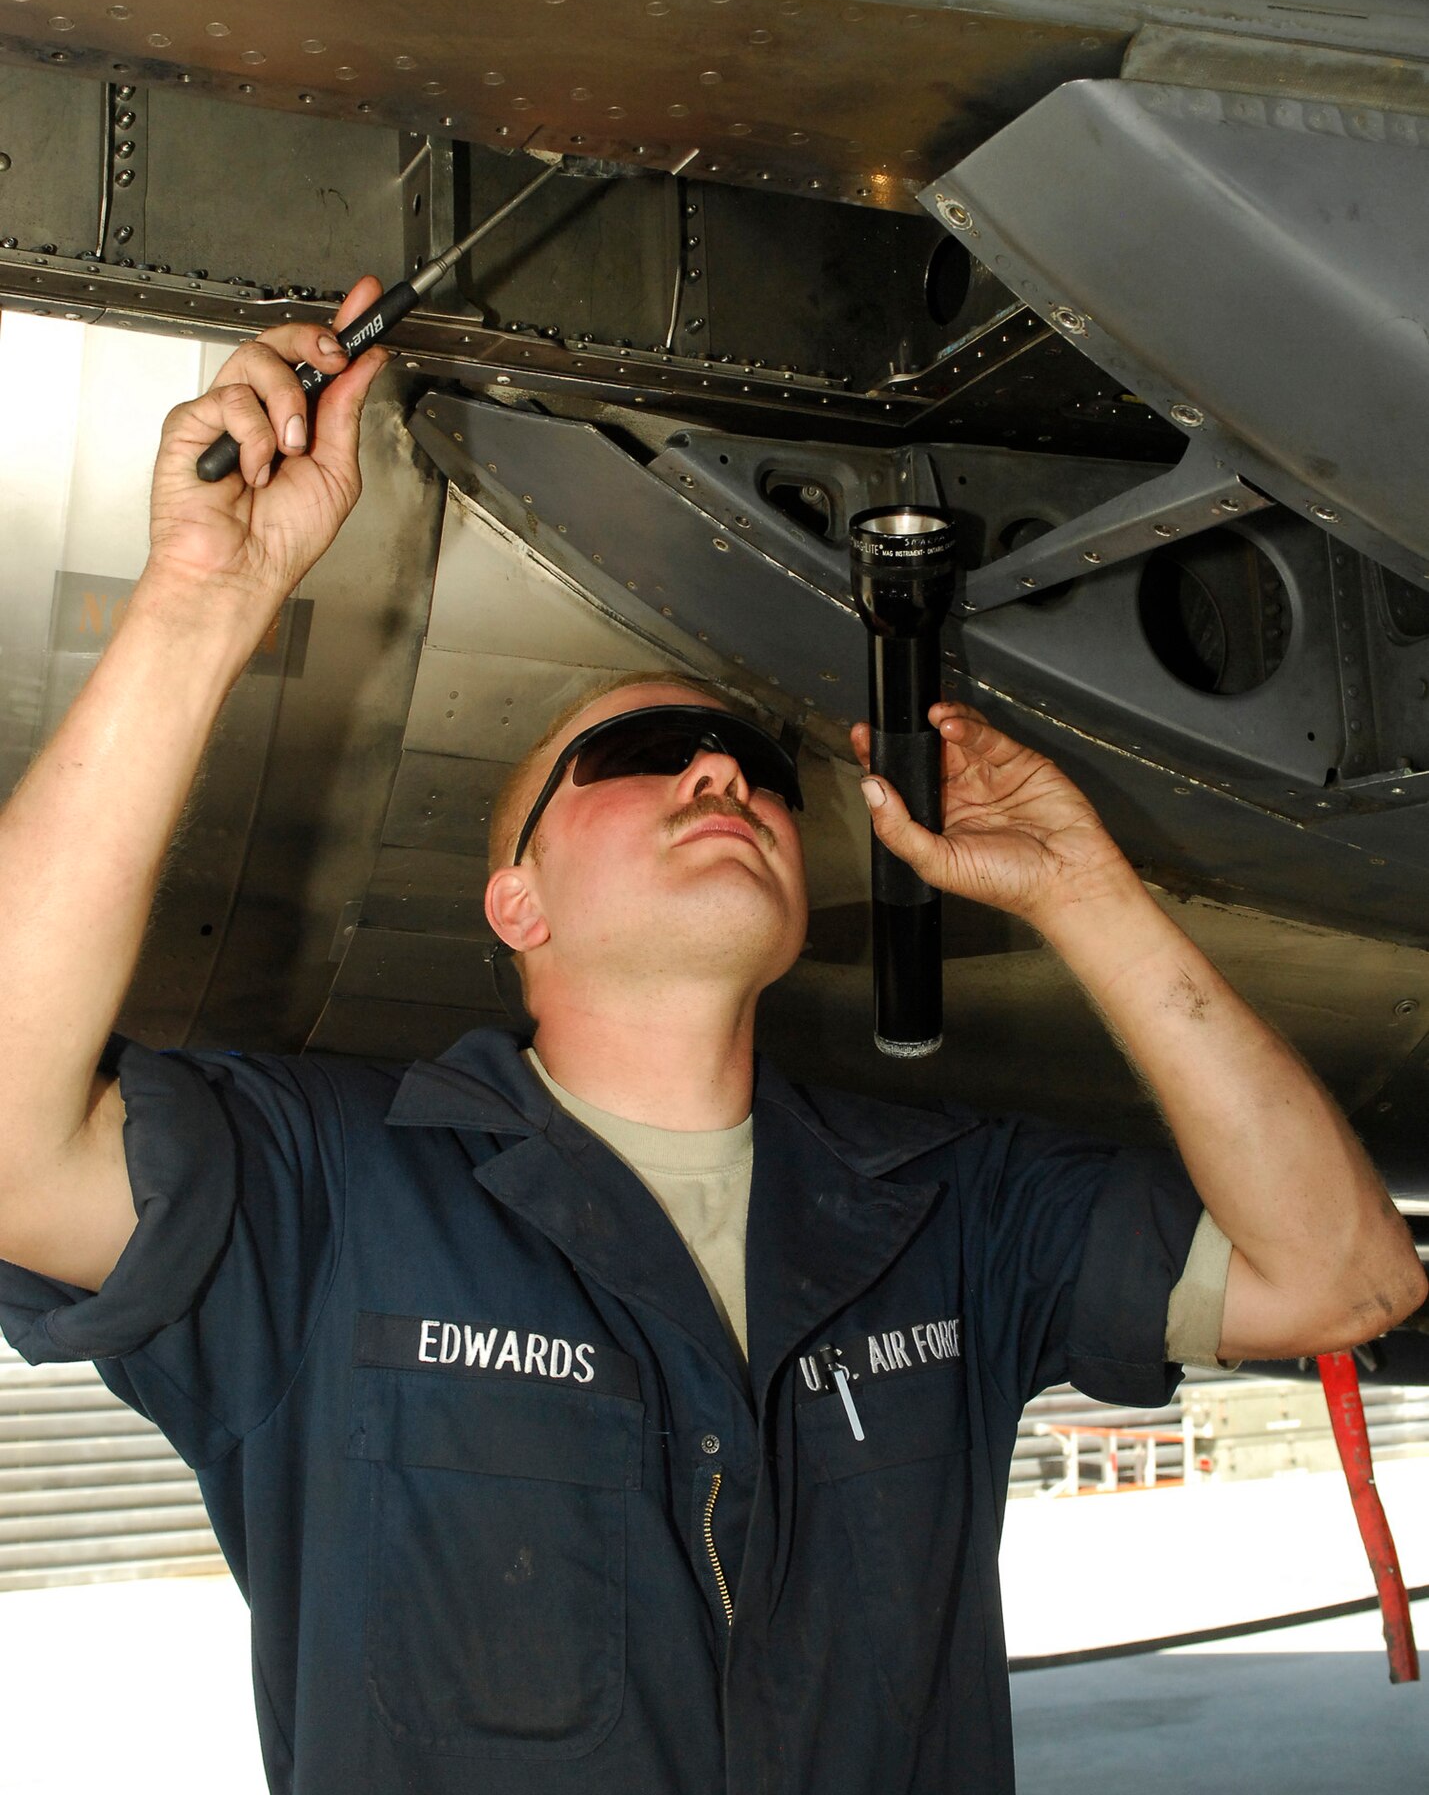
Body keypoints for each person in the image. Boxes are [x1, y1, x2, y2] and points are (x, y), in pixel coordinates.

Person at [0, 282, 1421, 1795]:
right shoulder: (324, 1196)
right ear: (516, 900)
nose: (717, 776)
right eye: (634, 756)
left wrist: (1088, 899)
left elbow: (1343, 1278)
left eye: (749, 763)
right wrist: (199, 603)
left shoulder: (946, 1206)